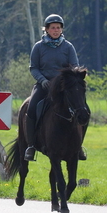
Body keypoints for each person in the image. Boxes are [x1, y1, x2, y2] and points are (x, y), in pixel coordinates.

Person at [24, 14, 86, 161]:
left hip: (64, 88)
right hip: (44, 85)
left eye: (58, 28)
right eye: (53, 28)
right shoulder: (38, 47)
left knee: (84, 109)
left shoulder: (68, 47)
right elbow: (34, 68)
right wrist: (43, 80)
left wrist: (69, 82)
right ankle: (31, 146)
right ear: (46, 29)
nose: (56, 30)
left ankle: (79, 146)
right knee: (32, 108)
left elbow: (75, 67)